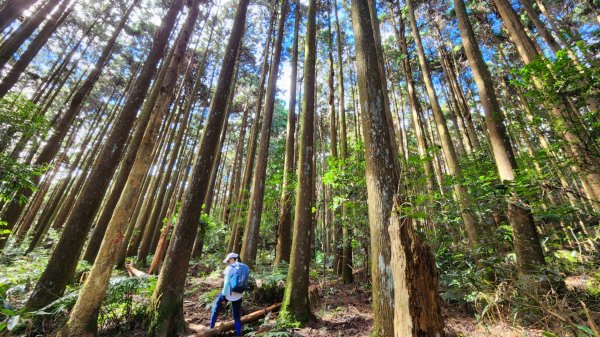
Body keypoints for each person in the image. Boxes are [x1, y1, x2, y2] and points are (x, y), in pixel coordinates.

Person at [210, 252, 243, 336]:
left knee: (215, 309)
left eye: (228, 261)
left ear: (232, 259)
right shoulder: (243, 268)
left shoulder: (229, 268)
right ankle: (238, 335)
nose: (227, 263)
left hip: (228, 293)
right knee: (237, 317)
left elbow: (226, 283)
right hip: (238, 294)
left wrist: (224, 297)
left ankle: (211, 329)